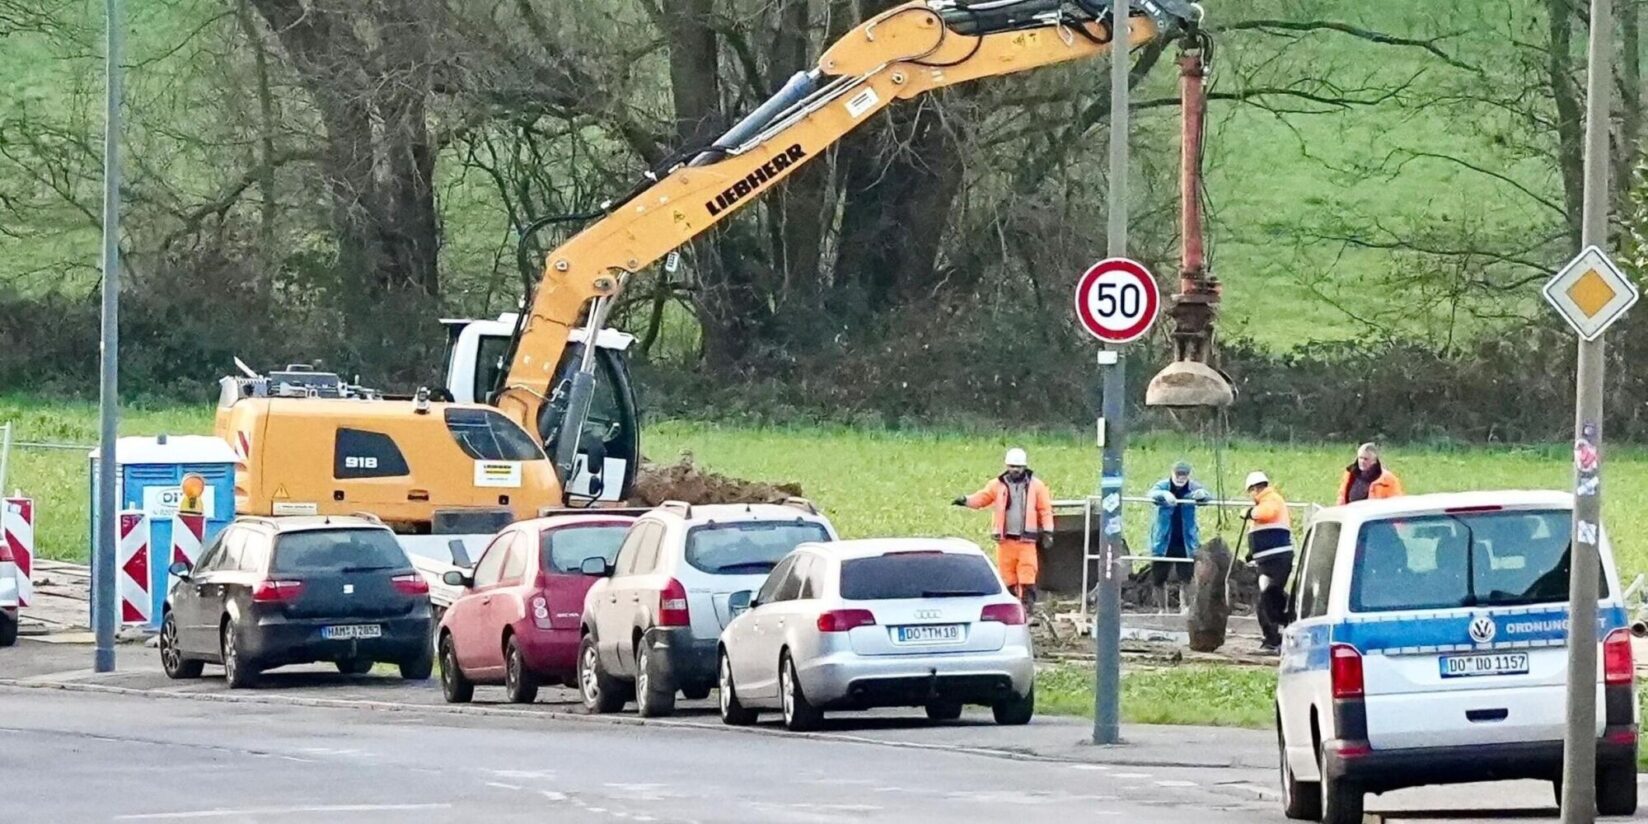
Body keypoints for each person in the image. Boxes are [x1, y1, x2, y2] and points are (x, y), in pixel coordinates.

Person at [953, 447, 1054, 608]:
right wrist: (965, 500)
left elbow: (1045, 509)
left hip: (1026, 540)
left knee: (1027, 574)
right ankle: (1012, 608)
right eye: (1012, 467)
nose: (1015, 470)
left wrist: (1048, 531)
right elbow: (983, 498)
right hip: (1004, 540)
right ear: (1007, 466)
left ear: (1024, 467)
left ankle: (1027, 608)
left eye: (1018, 467)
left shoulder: (1037, 486)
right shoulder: (997, 485)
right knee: (1007, 577)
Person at [1147, 460, 1212, 613]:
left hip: (1185, 540)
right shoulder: (1163, 485)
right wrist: (1163, 495)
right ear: (1172, 473)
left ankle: (1186, 609)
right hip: (1163, 540)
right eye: (1178, 474)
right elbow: (1151, 493)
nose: (1181, 478)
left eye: (1184, 475)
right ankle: (1163, 610)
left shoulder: (1193, 487)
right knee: (1158, 577)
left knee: (1187, 577)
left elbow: (1208, 497)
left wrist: (1202, 496)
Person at [1242, 470, 1293, 654]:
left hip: (1275, 559)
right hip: (1270, 558)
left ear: (1254, 488)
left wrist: (1250, 512)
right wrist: (1252, 553)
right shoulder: (1267, 500)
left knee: (1266, 600)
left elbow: (1266, 514)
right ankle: (1284, 626)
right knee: (1272, 596)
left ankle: (1273, 639)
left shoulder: (1270, 500)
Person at [1338, 442, 1403, 505]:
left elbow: (1397, 503)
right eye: (1360, 458)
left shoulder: (1387, 478)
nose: (1362, 461)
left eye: (1366, 459)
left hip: (1376, 514)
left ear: (1374, 461)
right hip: (1352, 514)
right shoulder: (1350, 475)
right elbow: (1342, 497)